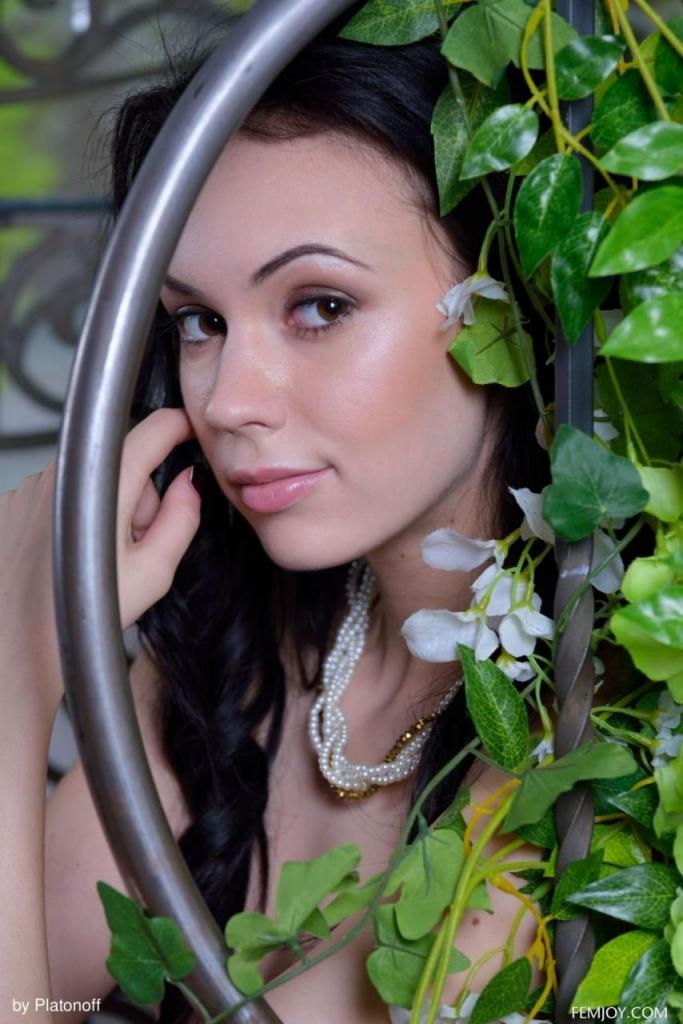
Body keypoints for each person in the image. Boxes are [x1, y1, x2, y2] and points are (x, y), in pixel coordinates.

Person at [0, 13, 555, 1024]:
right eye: (200, 321)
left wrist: (16, 676)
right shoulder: (238, 654)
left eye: (320, 306)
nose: (227, 400)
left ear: (511, 303)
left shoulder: (585, 745)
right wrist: (21, 662)